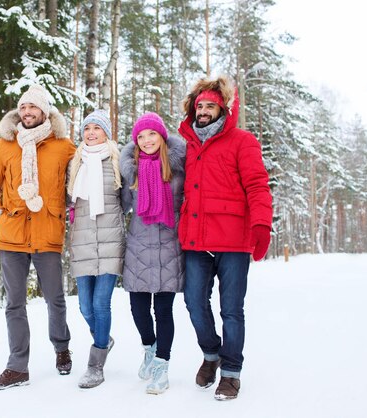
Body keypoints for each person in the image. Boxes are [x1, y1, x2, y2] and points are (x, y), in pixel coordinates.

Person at [178, 75, 273, 400]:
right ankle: (211, 352)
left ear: (222, 109)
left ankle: (231, 373)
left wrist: (261, 224)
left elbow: (258, 185)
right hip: (195, 240)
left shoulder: (242, 141)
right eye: (199, 105)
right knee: (193, 303)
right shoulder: (186, 143)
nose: (203, 111)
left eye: (210, 106)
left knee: (231, 310)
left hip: (232, 241)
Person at [0, 84, 76, 390]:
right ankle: (17, 367)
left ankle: (62, 348)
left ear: (44, 111)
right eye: (23, 107)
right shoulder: (5, 145)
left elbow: (79, 179)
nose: (27, 112)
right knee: (14, 304)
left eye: (33, 107)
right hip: (12, 234)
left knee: (55, 299)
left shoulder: (63, 145)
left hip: (47, 231)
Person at [119, 112, 186, 395]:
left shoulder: (178, 170)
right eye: (141, 137)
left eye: (152, 135)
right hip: (138, 246)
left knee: (163, 310)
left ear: (162, 137)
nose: (147, 141)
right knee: (138, 309)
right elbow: (121, 205)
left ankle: (162, 366)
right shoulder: (131, 173)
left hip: (170, 245)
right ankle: (150, 348)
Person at [67, 110, 125, 389]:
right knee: (83, 305)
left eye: (97, 128)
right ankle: (105, 339)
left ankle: (95, 365)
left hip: (111, 240)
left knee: (101, 304)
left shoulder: (118, 161)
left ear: (106, 133)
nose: (91, 133)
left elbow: (127, 199)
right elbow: (69, 201)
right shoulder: (75, 164)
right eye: (87, 128)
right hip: (82, 241)